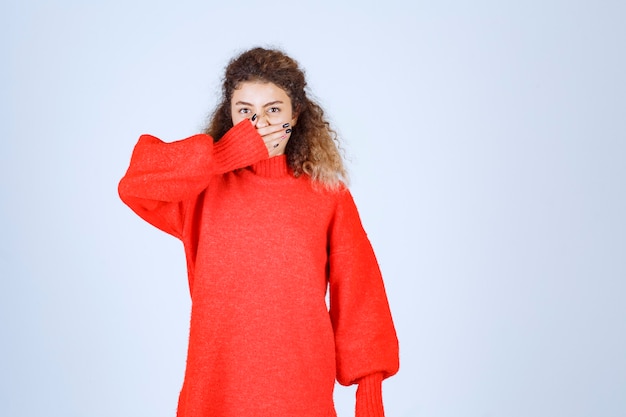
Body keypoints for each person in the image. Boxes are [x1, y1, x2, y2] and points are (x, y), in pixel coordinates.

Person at [118, 47, 399, 417]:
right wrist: (221, 157)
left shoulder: (327, 196)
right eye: (245, 111)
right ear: (230, 116)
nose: (259, 124)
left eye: (273, 110)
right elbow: (135, 185)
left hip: (300, 391)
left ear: (295, 115)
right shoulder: (201, 189)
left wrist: (369, 398)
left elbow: (361, 297)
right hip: (215, 390)